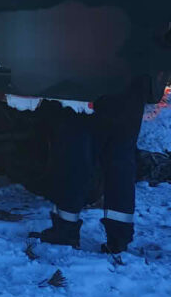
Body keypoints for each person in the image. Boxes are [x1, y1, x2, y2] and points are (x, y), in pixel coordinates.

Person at [30, 77, 149, 254]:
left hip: (88, 89)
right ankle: (119, 238)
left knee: (76, 161)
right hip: (130, 90)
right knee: (121, 164)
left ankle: (65, 230)